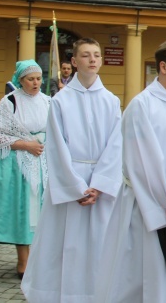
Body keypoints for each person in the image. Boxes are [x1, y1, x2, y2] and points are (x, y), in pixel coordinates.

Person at [94, 38, 166, 302]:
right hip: (147, 207)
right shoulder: (141, 106)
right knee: (143, 275)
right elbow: (142, 163)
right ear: (163, 67)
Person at [21, 38, 122, 303]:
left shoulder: (111, 101)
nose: (92, 59)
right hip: (72, 183)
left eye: (97, 55)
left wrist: (100, 184)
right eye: (86, 55)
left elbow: (116, 145)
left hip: (100, 186)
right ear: (74, 62)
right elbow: (56, 147)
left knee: (101, 244)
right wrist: (76, 187)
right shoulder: (61, 101)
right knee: (66, 243)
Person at [0, 60, 50, 279]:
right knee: (24, 211)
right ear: (20, 80)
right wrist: (25, 144)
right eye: (30, 79)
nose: (35, 83)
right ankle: (23, 261)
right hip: (19, 165)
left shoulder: (48, 101)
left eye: (39, 78)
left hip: (44, 163)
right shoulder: (10, 102)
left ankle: (42, 259)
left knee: (43, 212)